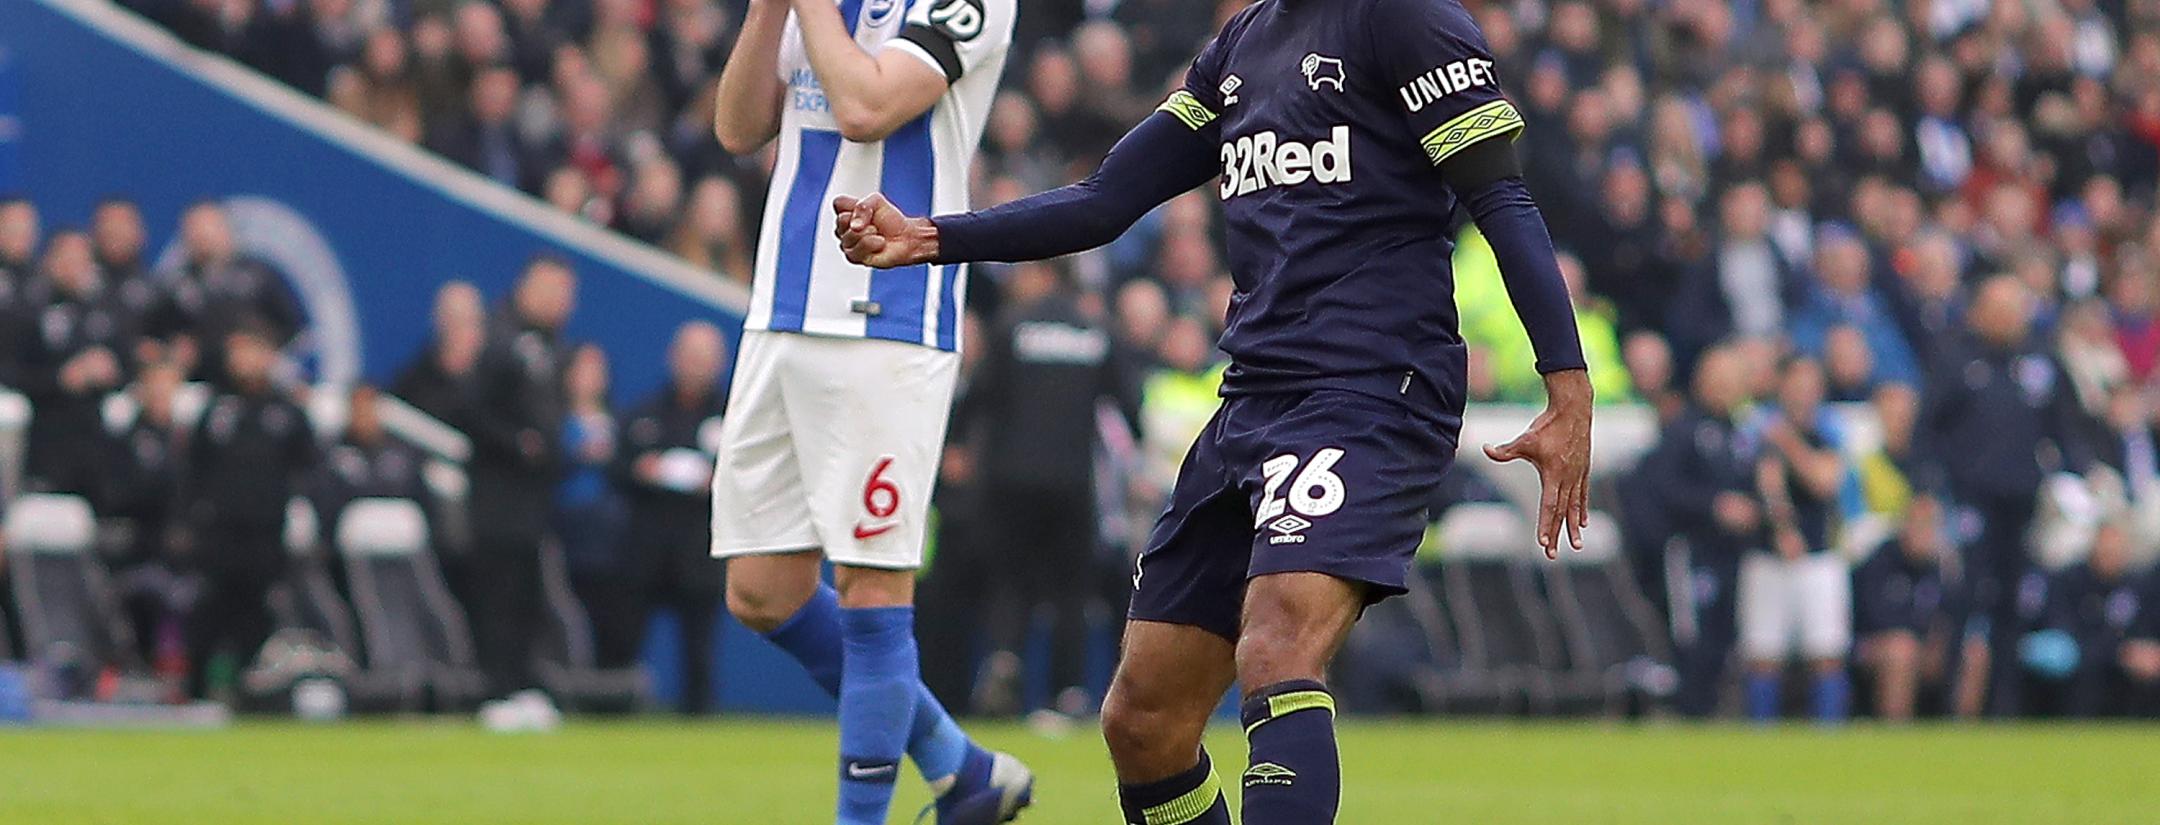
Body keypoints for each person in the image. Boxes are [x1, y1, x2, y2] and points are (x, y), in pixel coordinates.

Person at [831, 0, 1593, 819]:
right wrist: (931, 238)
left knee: (1277, 641)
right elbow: (1103, 200)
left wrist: (1567, 383)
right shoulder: (1241, 45)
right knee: (1142, 717)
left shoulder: (1403, 18)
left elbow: (1502, 200)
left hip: (1372, 386)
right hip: (1255, 395)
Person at [706, 0, 1033, 819]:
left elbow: (865, 106)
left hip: (886, 317)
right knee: (760, 589)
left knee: (871, 590)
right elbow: (739, 128)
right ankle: (963, 766)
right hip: (782, 309)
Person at [956, 260, 1141, 726]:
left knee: (1010, 581)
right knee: (1071, 590)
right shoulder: (1095, 332)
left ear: (1043, 274)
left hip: (1010, 480)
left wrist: (958, 447)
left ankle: (1004, 665)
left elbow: (976, 397)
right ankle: (1068, 693)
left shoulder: (1011, 327)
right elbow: (1129, 407)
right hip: (1074, 482)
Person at [178, 320, 318, 700]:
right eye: (236, 352)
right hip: (219, 531)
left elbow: (309, 470)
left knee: (256, 611)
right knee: (209, 608)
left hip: (265, 532)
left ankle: (249, 690)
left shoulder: (287, 412)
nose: (241, 361)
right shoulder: (217, 410)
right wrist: (189, 520)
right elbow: (194, 469)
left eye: (250, 351)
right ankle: (195, 690)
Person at [466, 257, 575, 731]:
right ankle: (495, 689)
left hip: (533, 497)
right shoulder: (500, 340)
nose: (562, 303)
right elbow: (471, 410)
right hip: (498, 496)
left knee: (529, 591)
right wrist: (519, 443)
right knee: (500, 593)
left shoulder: (550, 345)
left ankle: (522, 683)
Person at [616, 322, 729, 714]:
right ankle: (616, 710)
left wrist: (718, 480)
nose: (696, 365)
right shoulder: (645, 413)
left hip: (701, 549)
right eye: (689, 355)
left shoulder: (733, 417)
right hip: (646, 549)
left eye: (705, 357)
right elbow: (617, 466)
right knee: (626, 640)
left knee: (699, 647)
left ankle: (699, 719)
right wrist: (641, 470)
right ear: (673, 357)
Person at [1647, 345, 1760, 718]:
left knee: (1727, 636)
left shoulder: (1744, 433)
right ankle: (1689, 713)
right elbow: (1664, 488)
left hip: (1735, 552)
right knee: (1694, 636)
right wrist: (1714, 506)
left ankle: (1714, 713)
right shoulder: (1684, 429)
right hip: (1692, 549)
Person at [1737, 358, 1853, 723]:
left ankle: (1828, 735)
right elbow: (1768, 485)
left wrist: (1787, 441)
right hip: (1769, 557)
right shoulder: (1759, 432)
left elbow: (1825, 480)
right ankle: (1762, 735)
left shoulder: (1826, 433)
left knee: (1827, 651)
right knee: (1763, 654)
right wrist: (1783, 529)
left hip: (1819, 555)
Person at [17, 231, 137, 499]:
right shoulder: (28, 312)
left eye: (81, 258)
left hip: (99, 437)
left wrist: (111, 370)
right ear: (49, 261)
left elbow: (131, 367)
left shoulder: (109, 312)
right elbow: (12, 372)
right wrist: (61, 378)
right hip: (48, 431)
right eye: (66, 257)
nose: (74, 266)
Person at [1852, 495, 1956, 722]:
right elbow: (1875, 619)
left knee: (1973, 653)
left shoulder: (1940, 568)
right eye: (1919, 525)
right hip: (1873, 645)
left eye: (1931, 526)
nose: (1925, 533)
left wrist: (1935, 643)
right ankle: (1895, 732)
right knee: (1902, 650)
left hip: (1921, 645)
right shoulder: (1880, 562)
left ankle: (1963, 731)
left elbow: (1947, 616)